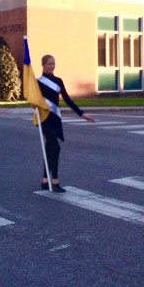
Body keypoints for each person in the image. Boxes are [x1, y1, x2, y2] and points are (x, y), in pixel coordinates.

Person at [36, 54, 95, 192]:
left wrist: (82, 114)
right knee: (55, 147)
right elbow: (32, 98)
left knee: (49, 148)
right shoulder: (37, 81)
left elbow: (67, 99)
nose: (52, 66)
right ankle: (55, 182)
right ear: (43, 65)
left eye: (53, 63)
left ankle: (45, 181)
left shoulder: (58, 81)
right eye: (49, 63)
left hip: (55, 118)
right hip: (44, 118)